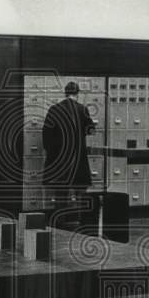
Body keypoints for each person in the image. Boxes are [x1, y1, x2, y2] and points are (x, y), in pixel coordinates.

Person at [42, 81, 95, 225]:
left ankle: (59, 223)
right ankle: (82, 223)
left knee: (61, 195)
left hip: (60, 160)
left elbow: (46, 135)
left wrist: (52, 154)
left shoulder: (54, 109)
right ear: (77, 94)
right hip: (77, 160)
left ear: (65, 93)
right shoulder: (82, 109)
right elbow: (91, 130)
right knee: (80, 194)